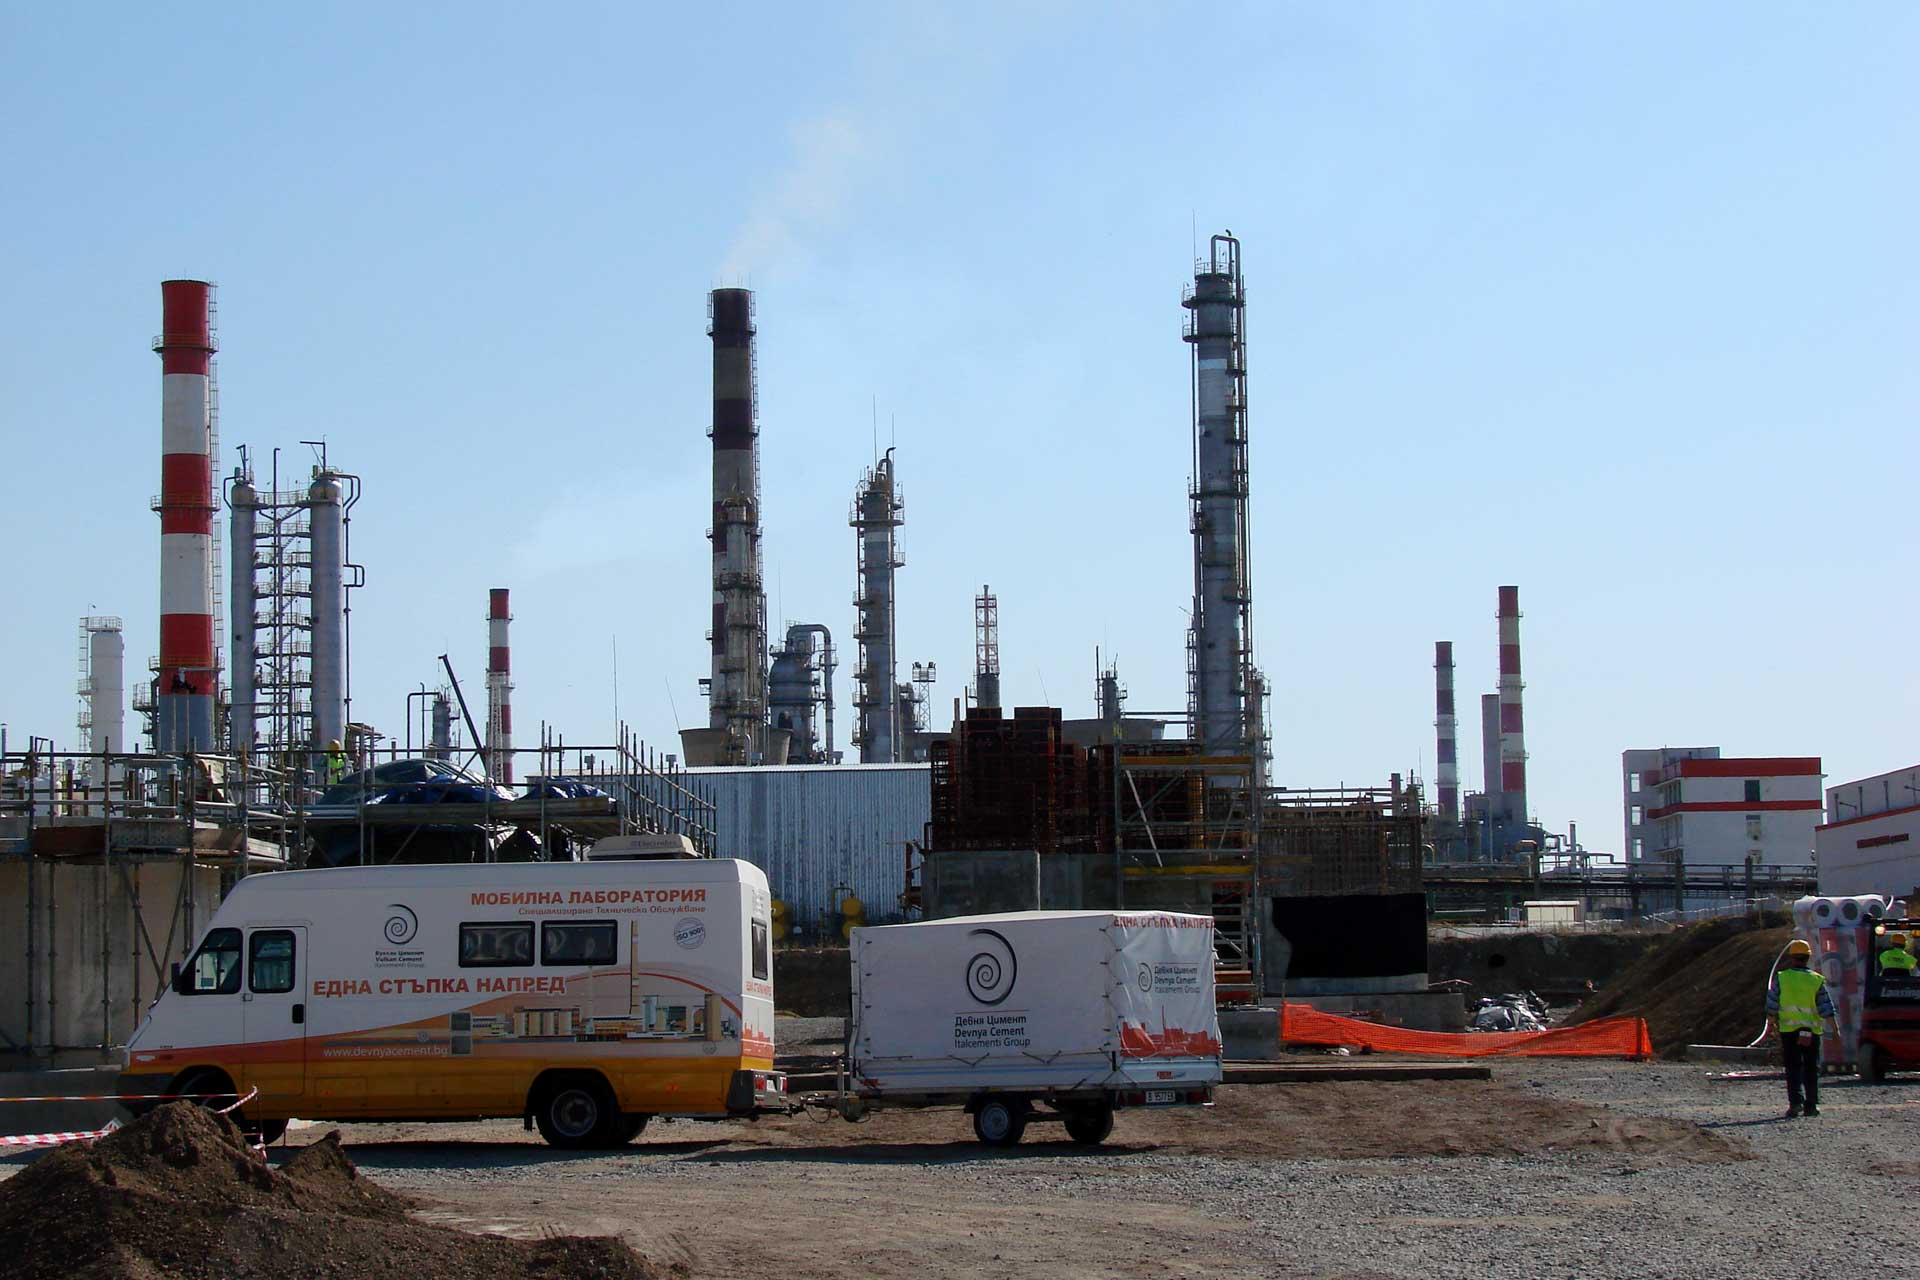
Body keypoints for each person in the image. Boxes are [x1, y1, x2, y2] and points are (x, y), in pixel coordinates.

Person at [1767, 938, 1836, 1118]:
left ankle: (1795, 1103)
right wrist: (1835, 1030)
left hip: (1789, 1031)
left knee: (1793, 1067)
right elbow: (1826, 1007)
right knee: (1811, 1068)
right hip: (1811, 1031)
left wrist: (1770, 1025)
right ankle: (1811, 1105)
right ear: (1808, 958)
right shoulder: (1816, 980)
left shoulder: (1782, 978)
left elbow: (1772, 1004)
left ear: (1792, 958)